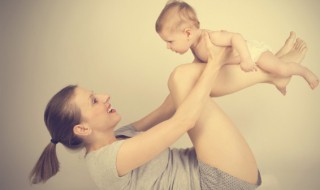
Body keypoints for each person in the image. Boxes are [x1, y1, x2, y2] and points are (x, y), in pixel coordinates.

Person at [29, 30, 309, 189]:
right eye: (93, 101)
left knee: (181, 80)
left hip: (207, 165)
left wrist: (204, 64)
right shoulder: (107, 162)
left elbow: (169, 108)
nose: (104, 96)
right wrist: (213, 63)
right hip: (219, 184)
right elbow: (184, 120)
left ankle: (275, 70)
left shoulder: (118, 138)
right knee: (182, 79)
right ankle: (275, 72)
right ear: (82, 129)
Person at [155, 0, 319, 95]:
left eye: (170, 41)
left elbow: (236, 37)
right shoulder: (195, 47)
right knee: (274, 66)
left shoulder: (210, 37)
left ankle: (304, 71)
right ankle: (284, 55)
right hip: (244, 57)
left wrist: (247, 58)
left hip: (253, 52)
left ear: (188, 33)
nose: (168, 47)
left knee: (280, 68)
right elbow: (197, 67)